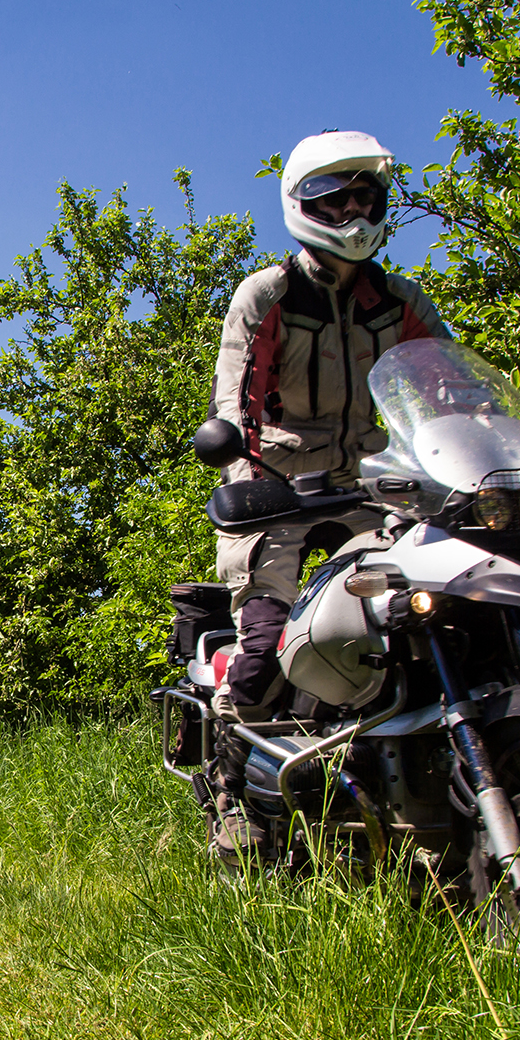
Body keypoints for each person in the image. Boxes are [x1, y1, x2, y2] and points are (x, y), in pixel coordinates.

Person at [207, 130, 450, 860]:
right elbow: (236, 408)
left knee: (428, 622)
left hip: (375, 489)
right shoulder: (269, 294)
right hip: (278, 491)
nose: (354, 208)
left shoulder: (401, 302)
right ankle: (228, 794)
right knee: (260, 648)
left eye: (366, 195)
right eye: (336, 196)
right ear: (303, 202)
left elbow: (447, 392)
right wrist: (250, 490)